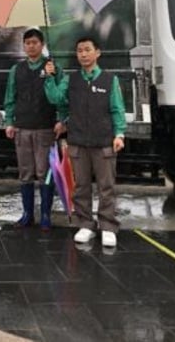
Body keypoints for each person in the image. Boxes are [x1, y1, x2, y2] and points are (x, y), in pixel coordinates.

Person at [44, 36, 126, 248]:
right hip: (78, 141)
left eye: (87, 49)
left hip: (104, 141)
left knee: (106, 186)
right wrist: (50, 77)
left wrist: (119, 134)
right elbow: (57, 99)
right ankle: (85, 224)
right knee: (81, 186)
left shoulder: (110, 80)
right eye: (79, 50)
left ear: (97, 53)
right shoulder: (71, 80)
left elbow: (117, 109)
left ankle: (108, 226)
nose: (83, 54)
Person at [3, 28, 63, 230]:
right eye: (27, 43)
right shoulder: (16, 70)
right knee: (25, 173)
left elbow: (61, 98)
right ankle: (27, 214)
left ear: (42, 44)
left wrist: (62, 119)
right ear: (23, 46)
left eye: (35, 42)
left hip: (45, 128)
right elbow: (10, 98)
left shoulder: (53, 67)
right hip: (22, 129)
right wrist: (9, 121)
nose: (31, 46)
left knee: (44, 173)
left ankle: (45, 215)